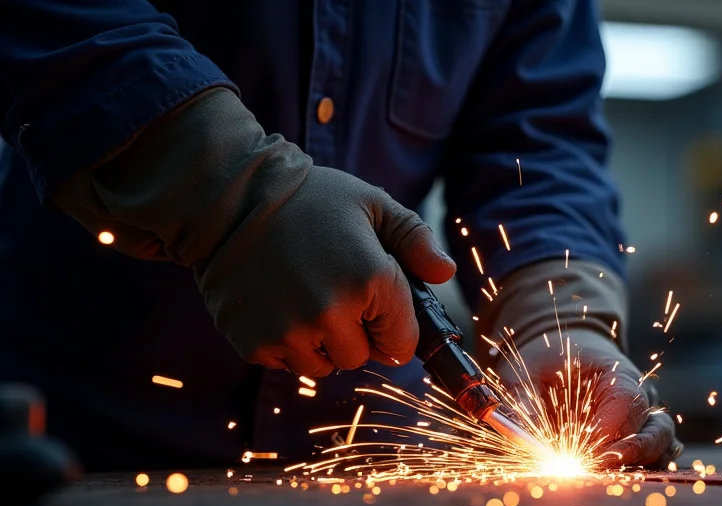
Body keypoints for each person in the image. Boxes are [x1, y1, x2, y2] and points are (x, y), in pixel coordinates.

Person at [0, 0, 681, 471]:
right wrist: (231, 194)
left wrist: (558, 322)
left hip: (370, 459)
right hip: (76, 441)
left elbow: (539, 140)